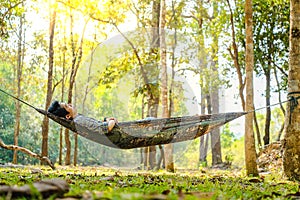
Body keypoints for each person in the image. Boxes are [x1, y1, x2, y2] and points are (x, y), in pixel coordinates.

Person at [47, 100, 117, 132]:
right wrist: (111, 121)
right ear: (67, 116)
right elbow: (106, 128)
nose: (70, 104)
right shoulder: (79, 120)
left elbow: (95, 125)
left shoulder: (79, 119)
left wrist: (106, 120)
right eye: (67, 106)